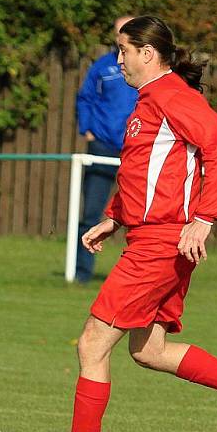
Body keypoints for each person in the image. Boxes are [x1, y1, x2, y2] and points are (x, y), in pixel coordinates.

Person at [21, 16, 217, 432]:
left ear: (147, 53)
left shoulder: (172, 97)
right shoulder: (148, 103)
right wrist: (114, 217)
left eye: (122, 49)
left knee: (92, 342)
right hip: (153, 239)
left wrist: (204, 220)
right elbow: (144, 170)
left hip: (163, 244)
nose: (117, 58)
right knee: (149, 350)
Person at [74, 16, 138, 283]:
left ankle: (137, 276)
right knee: (91, 212)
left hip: (136, 149)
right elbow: (85, 98)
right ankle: (81, 273)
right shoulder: (103, 67)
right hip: (102, 144)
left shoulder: (148, 72)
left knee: (139, 212)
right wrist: (87, 129)